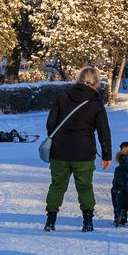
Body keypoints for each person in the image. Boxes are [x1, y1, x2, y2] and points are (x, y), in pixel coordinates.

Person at [43, 66, 112, 232]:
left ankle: (50, 221)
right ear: (95, 83)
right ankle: (88, 221)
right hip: (84, 153)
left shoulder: (63, 96)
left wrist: (60, 138)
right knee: (85, 187)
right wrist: (106, 155)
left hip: (59, 152)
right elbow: (104, 131)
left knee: (57, 186)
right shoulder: (95, 103)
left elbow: (50, 124)